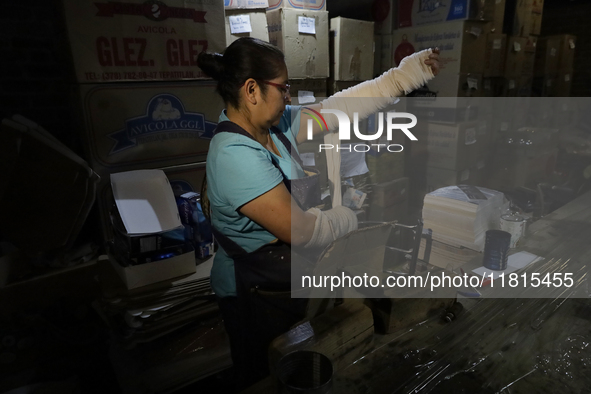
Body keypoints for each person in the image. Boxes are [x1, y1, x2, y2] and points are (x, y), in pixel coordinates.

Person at [198, 37, 439, 391]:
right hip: (253, 292)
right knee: (266, 375)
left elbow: (337, 108)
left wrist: (402, 78)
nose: (289, 97)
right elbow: (302, 230)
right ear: (252, 90)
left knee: (295, 365)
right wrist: (345, 218)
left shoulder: (274, 128)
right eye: (283, 88)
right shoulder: (235, 155)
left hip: (282, 279)